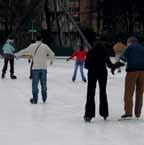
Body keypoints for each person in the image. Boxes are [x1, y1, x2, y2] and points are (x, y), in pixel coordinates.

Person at [15, 33, 55, 104]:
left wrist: (17, 55)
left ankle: (35, 99)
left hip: (35, 68)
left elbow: (24, 51)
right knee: (44, 84)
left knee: (35, 85)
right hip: (43, 68)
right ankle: (44, 97)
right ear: (42, 39)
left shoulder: (32, 46)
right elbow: (52, 54)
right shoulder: (45, 46)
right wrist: (51, 60)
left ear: (36, 39)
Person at [112, 36, 144, 119]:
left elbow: (122, 60)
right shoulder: (142, 48)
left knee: (129, 92)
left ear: (130, 42)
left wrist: (114, 67)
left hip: (132, 71)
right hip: (143, 72)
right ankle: (138, 113)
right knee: (140, 93)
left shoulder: (129, 48)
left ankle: (128, 112)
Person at [84, 42, 114, 122]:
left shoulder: (90, 52)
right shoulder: (105, 52)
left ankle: (88, 115)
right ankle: (104, 113)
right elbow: (109, 65)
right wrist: (116, 65)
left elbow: (86, 65)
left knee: (90, 93)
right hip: (103, 73)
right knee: (103, 92)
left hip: (92, 73)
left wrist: (92, 66)